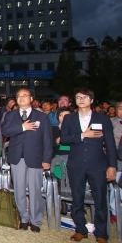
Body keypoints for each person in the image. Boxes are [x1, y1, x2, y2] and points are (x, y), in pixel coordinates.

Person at [61, 88, 116, 243]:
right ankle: (81, 229)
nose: (81, 99)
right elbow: (64, 138)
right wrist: (83, 135)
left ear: (91, 100)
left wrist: (112, 166)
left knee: (100, 199)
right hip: (76, 164)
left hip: (97, 163)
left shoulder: (102, 118)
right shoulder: (69, 119)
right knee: (77, 198)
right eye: (78, 97)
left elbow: (110, 144)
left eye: (85, 97)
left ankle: (101, 233)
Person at [2, 88, 52, 232]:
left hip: (35, 157)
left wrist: (46, 159)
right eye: (19, 96)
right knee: (18, 189)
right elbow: (5, 131)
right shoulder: (10, 115)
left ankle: (35, 220)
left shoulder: (41, 117)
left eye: (25, 95)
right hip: (17, 157)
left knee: (35, 189)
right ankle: (24, 218)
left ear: (31, 99)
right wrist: (22, 127)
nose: (22, 98)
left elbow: (47, 140)